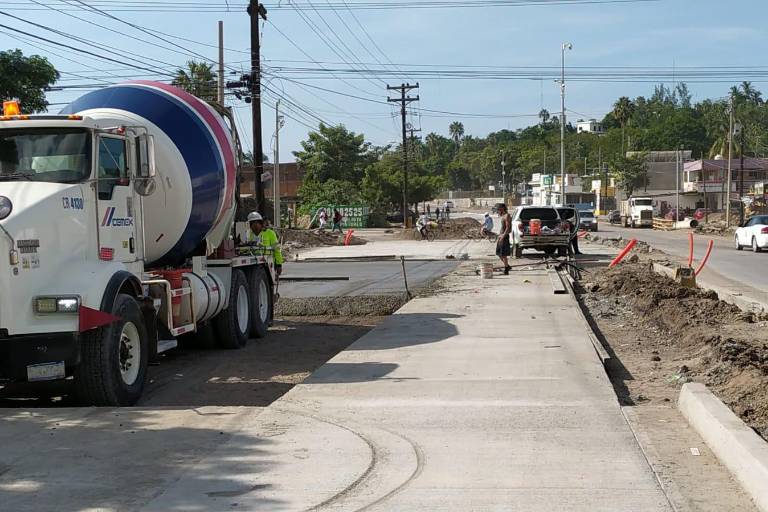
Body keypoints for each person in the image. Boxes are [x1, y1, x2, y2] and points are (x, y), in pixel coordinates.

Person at [496, 204, 512, 274]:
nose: (498, 211)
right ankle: (507, 266)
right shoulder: (502, 216)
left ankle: (506, 270)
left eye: (498, 209)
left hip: (504, 237)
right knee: (499, 253)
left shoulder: (507, 216)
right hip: (500, 236)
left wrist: (503, 236)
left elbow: (508, 228)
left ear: (502, 208)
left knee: (503, 254)